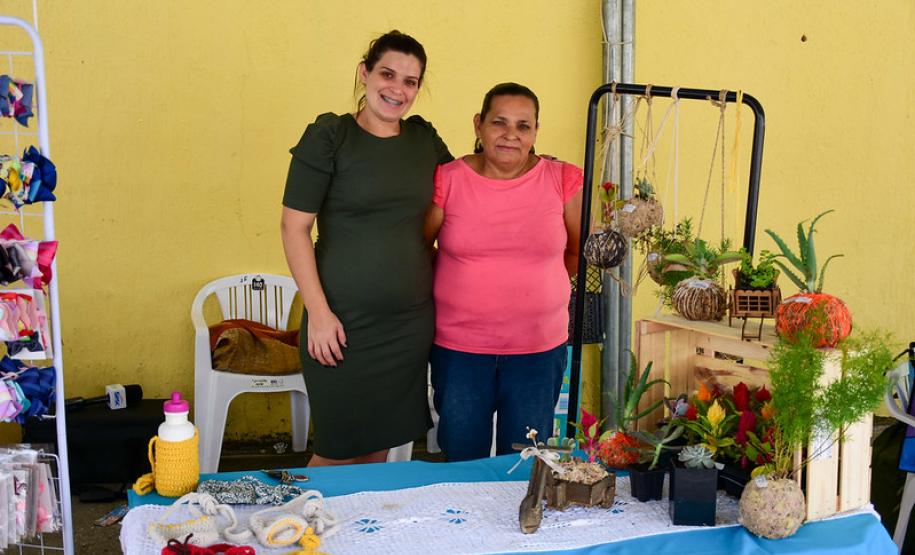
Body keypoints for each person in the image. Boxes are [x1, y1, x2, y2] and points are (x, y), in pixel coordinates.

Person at [281, 30, 452, 466]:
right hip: (341, 325)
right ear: (364, 73)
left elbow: (471, 190)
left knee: (375, 453)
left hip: (407, 327)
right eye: (387, 74)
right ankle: (301, 512)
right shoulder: (330, 137)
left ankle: (357, 517)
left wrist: (534, 167)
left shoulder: (424, 141)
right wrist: (318, 314)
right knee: (336, 452)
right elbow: (294, 228)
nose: (397, 89)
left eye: (410, 81)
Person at [423, 82, 583, 461]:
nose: (511, 134)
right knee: (463, 460)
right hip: (460, 350)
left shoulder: (562, 179)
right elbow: (421, 247)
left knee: (524, 462)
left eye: (523, 126)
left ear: (535, 132)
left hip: (537, 350)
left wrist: (536, 291)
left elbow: (578, 250)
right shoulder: (448, 178)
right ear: (478, 124)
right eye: (499, 122)